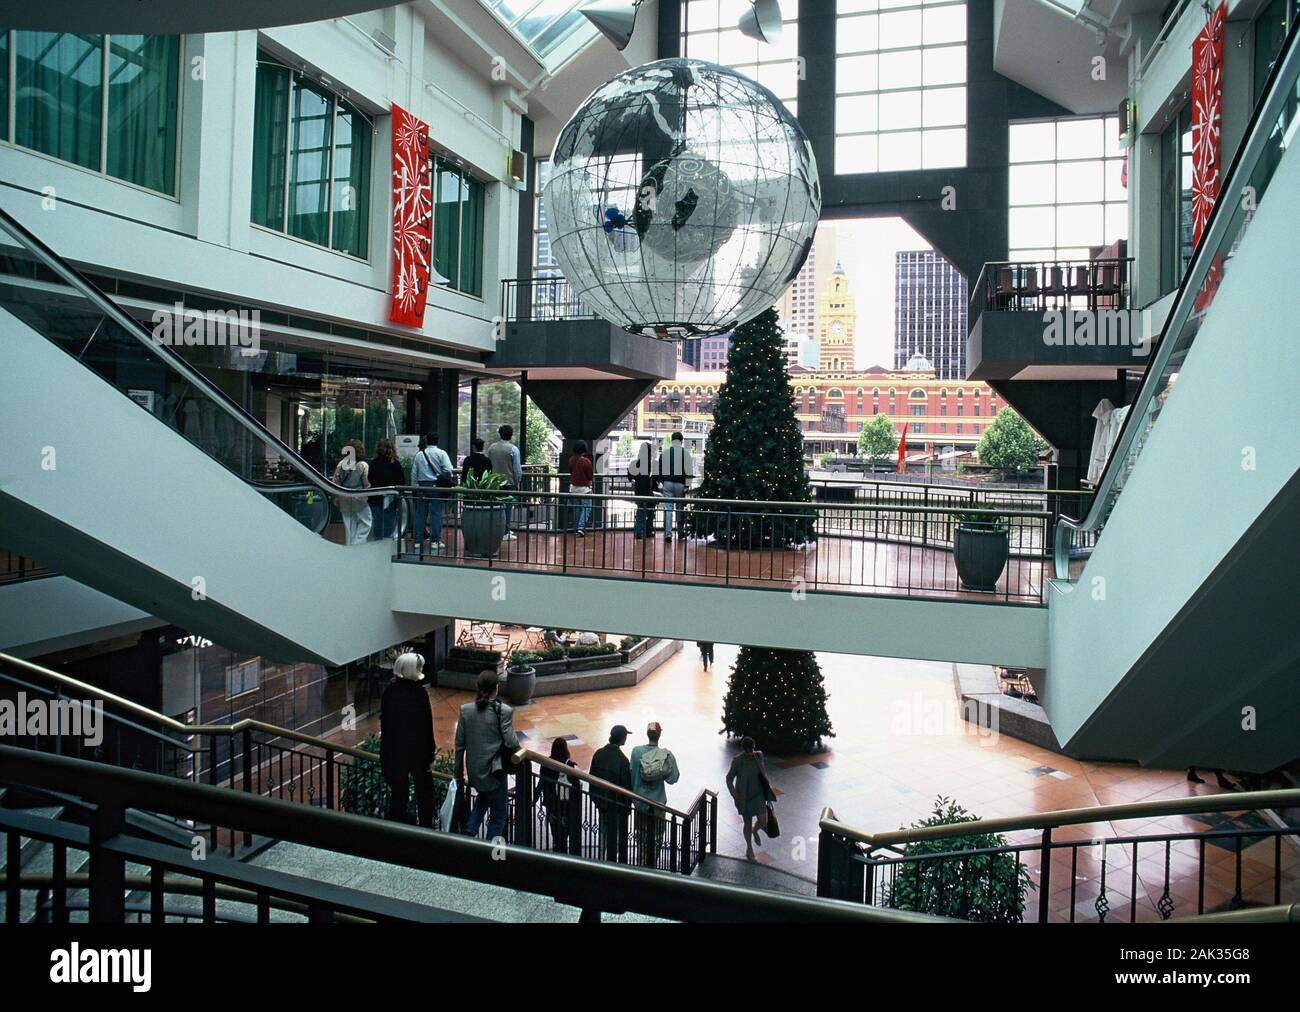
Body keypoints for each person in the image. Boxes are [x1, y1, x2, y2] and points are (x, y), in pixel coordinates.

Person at [455, 670, 519, 841]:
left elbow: (459, 745)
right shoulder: (503, 711)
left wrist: (458, 774)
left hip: (475, 772)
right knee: (498, 815)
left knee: (483, 796)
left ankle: (469, 833)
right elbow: (512, 742)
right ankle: (491, 856)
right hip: (494, 772)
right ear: (496, 689)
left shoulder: (466, 711)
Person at [379, 653, 436, 827]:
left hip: (394, 752)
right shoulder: (420, 694)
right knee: (425, 794)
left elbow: (386, 724)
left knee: (399, 795)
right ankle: (425, 828)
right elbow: (426, 727)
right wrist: (430, 755)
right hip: (417, 753)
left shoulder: (389, 692)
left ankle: (398, 828)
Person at [629, 721, 680, 868]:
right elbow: (673, 778)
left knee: (640, 835)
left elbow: (632, 775)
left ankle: (642, 863)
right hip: (658, 805)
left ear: (647, 734)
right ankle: (652, 865)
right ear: (659, 735)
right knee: (657, 836)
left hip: (640, 802)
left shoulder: (636, 752)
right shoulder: (666, 755)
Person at [589, 724, 633, 862]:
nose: (626, 738)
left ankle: (601, 861)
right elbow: (626, 788)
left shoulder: (598, 754)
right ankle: (615, 864)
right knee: (617, 836)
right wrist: (626, 808)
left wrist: (597, 800)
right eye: (625, 736)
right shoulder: (623, 760)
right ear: (621, 738)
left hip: (602, 804)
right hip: (617, 808)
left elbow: (592, 779)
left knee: (603, 833)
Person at [727, 737, 773, 862]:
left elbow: (763, 773)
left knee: (763, 820)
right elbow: (729, 778)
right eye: (748, 751)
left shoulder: (758, 756)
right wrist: (734, 793)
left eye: (751, 750)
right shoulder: (737, 761)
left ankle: (755, 830)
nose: (750, 753)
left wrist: (768, 790)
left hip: (758, 795)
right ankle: (749, 848)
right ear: (744, 750)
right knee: (747, 822)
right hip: (744, 797)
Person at [410, 432, 454, 554]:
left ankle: (417, 541)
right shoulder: (441, 453)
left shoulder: (419, 455)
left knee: (420, 514)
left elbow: (414, 473)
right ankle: (435, 541)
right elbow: (448, 470)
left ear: (427, 440)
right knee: (436, 514)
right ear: (437, 441)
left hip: (422, 487)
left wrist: (415, 487)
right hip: (436, 487)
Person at [539, 737, 579, 853]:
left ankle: (557, 850)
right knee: (565, 833)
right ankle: (563, 854)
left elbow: (541, 782)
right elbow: (575, 786)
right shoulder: (569, 765)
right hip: (565, 804)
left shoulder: (546, 763)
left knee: (555, 833)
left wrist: (534, 799)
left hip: (552, 804)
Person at [486, 424, 523, 541]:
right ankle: (505, 531)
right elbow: (517, 469)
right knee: (507, 507)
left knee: (495, 506)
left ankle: (495, 529)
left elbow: (487, 463)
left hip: (494, 483)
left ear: (500, 434)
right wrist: (517, 482)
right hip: (508, 483)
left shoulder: (491, 448)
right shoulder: (513, 449)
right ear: (511, 435)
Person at [333, 439, 373, 545]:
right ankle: (357, 545)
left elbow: (335, 482)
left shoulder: (341, 464)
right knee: (366, 522)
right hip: (359, 498)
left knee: (349, 526)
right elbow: (367, 483)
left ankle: (350, 548)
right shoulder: (362, 465)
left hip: (344, 497)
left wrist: (337, 496)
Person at [658, 432, 693, 541]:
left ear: (672, 441)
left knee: (668, 509)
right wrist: (687, 485)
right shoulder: (686, 453)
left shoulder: (665, 453)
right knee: (679, 508)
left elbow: (659, 469)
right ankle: (680, 532)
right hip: (680, 484)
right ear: (681, 441)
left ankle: (668, 535)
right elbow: (689, 470)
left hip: (667, 483)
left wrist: (663, 482)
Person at [368, 439, 404, 541]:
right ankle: (385, 548)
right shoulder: (395, 464)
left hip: (374, 498)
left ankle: (377, 547)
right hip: (390, 499)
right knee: (388, 526)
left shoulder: (373, 463)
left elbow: (370, 479)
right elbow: (401, 482)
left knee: (377, 525)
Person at [630, 440, 656, 539]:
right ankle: (646, 531)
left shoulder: (638, 461)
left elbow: (631, 474)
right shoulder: (649, 462)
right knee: (648, 511)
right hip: (647, 491)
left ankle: (639, 531)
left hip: (639, 490)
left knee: (641, 511)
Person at [568, 440, 594, 536]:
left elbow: (571, 472)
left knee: (576, 509)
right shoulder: (586, 461)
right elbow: (590, 476)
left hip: (573, 489)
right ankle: (580, 528)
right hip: (584, 490)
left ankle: (576, 529)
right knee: (587, 508)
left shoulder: (571, 459)